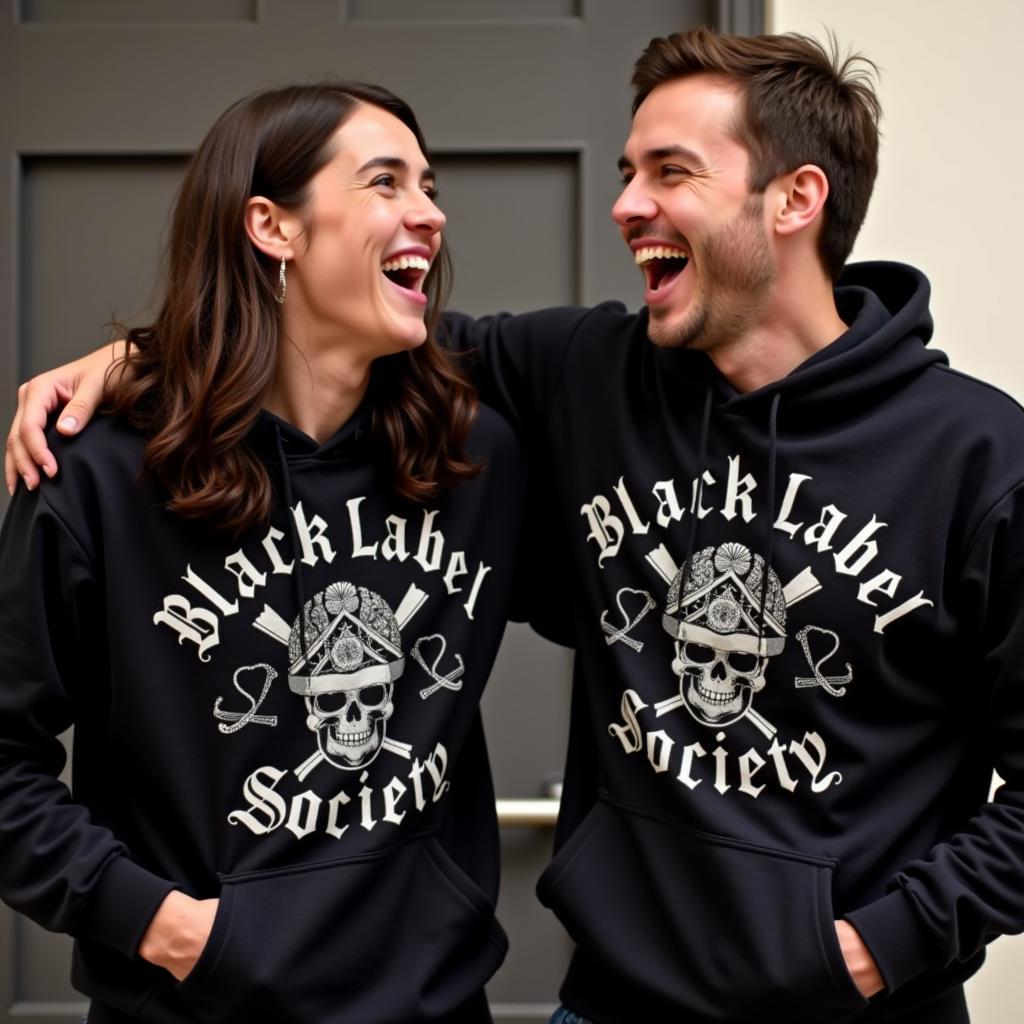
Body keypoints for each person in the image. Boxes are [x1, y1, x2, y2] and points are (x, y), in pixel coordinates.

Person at [10, 26, 1024, 1024]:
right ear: (272, 224)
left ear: (797, 198)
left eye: (669, 171)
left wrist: (879, 946)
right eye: (627, 169)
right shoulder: (586, 378)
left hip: (854, 1007)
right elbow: (320, 335)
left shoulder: (978, 456)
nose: (626, 204)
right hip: (608, 1003)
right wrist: (142, 358)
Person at [0, 81, 525, 1024]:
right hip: (195, 1004)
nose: (431, 213)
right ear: (273, 227)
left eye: (430, 185)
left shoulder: (474, 455)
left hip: (434, 1007)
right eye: (385, 182)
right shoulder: (101, 475)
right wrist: (164, 925)